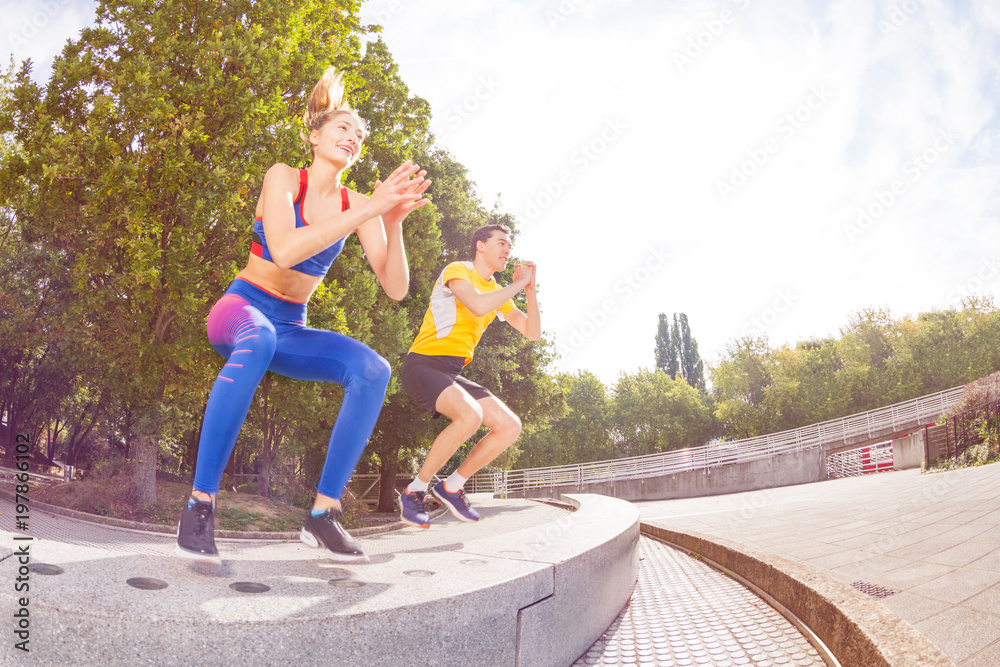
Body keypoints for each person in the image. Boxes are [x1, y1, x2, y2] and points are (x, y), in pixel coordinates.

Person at [176, 68, 430, 565]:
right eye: (343, 129)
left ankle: (322, 514)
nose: (353, 138)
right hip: (242, 308)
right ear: (315, 135)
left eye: (360, 135)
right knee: (261, 339)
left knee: (373, 370)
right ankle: (199, 506)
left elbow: (396, 288)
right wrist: (370, 210)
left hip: (290, 325)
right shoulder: (283, 177)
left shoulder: (359, 204)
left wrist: (391, 222)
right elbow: (286, 250)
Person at [398, 224, 539, 528]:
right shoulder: (458, 270)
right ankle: (414, 491)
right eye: (501, 243)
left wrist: (529, 290)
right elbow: (476, 305)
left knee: (509, 426)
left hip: (450, 372)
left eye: (509, 246)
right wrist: (517, 284)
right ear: (480, 246)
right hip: (422, 365)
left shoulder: (499, 293)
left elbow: (533, 333)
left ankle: (450, 486)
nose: (507, 250)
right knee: (470, 415)